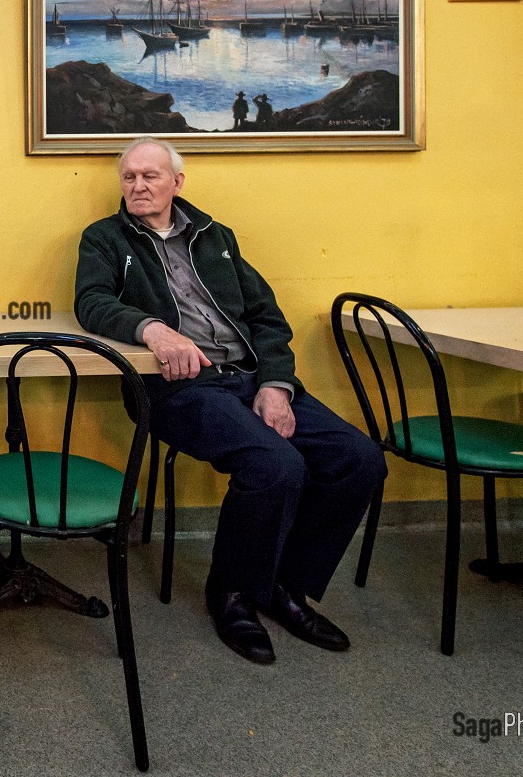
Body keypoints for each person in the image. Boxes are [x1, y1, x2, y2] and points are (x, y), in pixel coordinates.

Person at [74, 136, 386, 665]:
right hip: (179, 387)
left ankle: (284, 585)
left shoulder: (216, 237)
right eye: (129, 177)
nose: (138, 186)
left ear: (177, 182)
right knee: (274, 464)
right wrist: (152, 329)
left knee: (360, 459)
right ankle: (233, 594)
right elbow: (92, 301)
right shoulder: (105, 238)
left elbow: (266, 318)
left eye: (150, 175)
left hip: (250, 377)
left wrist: (276, 385)